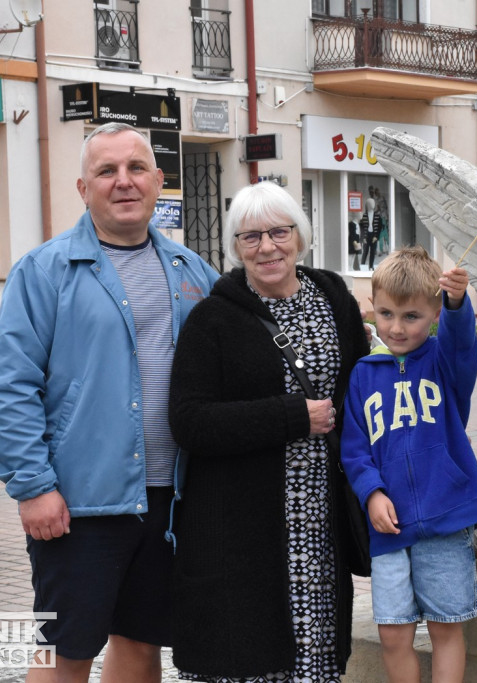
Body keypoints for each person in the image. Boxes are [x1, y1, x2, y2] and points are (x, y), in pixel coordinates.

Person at [0, 121, 219, 683]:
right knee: (65, 647)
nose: (124, 182)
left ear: (159, 181)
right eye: (106, 171)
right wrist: (34, 487)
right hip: (78, 505)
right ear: (82, 188)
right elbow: (11, 385)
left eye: (136, 168)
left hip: (168, 499)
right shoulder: (45, 271)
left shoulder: (192, 272)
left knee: (141, 644)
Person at [168, 180, 369, 682]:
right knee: (251, 658)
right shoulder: (212, 319)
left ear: (299, 237)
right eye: (250, 237)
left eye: (278, 233)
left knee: (316, 660)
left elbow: (363, 386)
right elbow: (189, 421)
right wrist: (291, 416)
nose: (266, 248)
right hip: (243, 524)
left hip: (320, 519)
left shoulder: (334, 298)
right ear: (236, 248)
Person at [340, 246, 477, 683]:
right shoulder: (363, 374)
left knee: (447, 627)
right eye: (386, 314)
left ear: (433, 316)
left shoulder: (445, 363)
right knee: (392, 634)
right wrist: (371, 492)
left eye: (411, 316)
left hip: (445, 522)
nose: (396, 327)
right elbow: (354, 448)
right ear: (373, 310)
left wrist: (457, 303)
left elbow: (462, 344)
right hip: (389, 529)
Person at [359, 196, 384, 271]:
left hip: (374, 235)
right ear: (367, 205)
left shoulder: (377, 216)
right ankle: (362, 266)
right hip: (367, 236)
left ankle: (371, 266)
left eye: (373, 203)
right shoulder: (364, 216)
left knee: (373, 252)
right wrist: (363, 238)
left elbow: (379, 227)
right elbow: (362, 228)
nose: (372, 204)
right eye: (370, 203)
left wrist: (376, 236)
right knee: (365, 252)